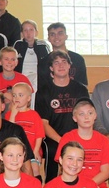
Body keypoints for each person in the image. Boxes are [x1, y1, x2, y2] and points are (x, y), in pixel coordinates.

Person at [36, 50, 89, 180]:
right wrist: (62, 140)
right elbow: (43, 123)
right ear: (51, 68)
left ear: (69, 66)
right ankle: (50, 186)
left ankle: (83, 185)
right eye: (56, 63)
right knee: (53, 149)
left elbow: (86, 117)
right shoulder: (43, 92)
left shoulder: (81, 89)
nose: (61, 66)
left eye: (64, 62)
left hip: (78, 134)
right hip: (53, 137)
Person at [54, 99, 109, 188]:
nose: (86, 117)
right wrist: (78, 186)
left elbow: (105, 173)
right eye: (81, 114)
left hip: (96, 186)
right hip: (72, 186)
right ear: (75, 118)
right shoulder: (67, 138)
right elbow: (63, 169)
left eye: (90, 113)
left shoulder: (103, 140)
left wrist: (88, 186)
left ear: (95, 116)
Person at [13, 20, 50, 92]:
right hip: (22, 77)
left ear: (36, 32)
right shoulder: (18, 45)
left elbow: (49, 62)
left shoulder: (43, 45)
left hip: (38, 78)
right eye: (25, 30)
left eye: (31, 30)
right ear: (22, 33)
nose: (28, 33)